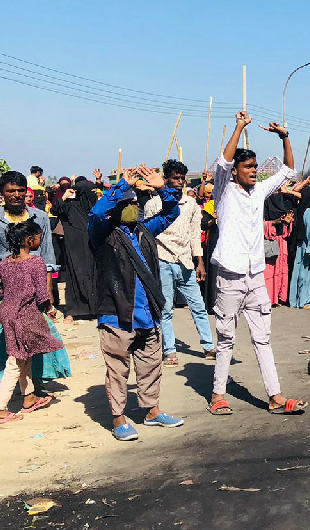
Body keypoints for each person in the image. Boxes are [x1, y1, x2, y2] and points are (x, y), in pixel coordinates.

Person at [208, 111, 307, 416]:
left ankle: (275, 397)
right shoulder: (224, 190)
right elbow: (222, 163)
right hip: (230, 275)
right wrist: (239, 127)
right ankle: (217, 395)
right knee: (226, 338)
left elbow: (289, 169)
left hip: (255, 275)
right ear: (236, 171)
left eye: (255, 167)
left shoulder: (259, 191)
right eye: (248, 167)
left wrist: (285, 136)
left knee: (262, 339)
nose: (253, 171)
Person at [89, 166, 184, 440]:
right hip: (116, 313)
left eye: (135, 202)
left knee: (151, 365)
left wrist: (161, 188)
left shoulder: (144, 230)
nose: (133, 207)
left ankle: (152, 411)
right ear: (116, 206)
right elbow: (95, 213)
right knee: (118, 369)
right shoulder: (103, 234)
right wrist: (120, 186)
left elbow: (170, 213)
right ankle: (119, 419)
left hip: (147, 314)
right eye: (127, 204)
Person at [141, 160, 215, 367]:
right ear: (165, 179)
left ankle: (209, 346)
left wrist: (199, 261)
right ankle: (170, 351)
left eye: (182, 178)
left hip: (185, 261)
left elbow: (194, 234)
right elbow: (148, 236)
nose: (179, 182)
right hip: (162, 260)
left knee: (198, 306)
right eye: (175, 178)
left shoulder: (190, 204)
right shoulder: (153, 204)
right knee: (166, 309)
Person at [0, 221, 63, 424]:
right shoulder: (36, 262)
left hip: (7, 313)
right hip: (25, 315)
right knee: (15, 361)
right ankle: (1, 408)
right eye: (38, 237)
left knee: (24, 356)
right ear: (29, 239)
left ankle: (29, 397)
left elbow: (2, 290)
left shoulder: (5, 263)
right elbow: (42, 294)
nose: (40, 240)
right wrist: (50, 309)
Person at [51, 176, 99, 322]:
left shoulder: (95, 208)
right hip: (74, 248)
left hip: (93, 247)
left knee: (95, 276)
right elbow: (55, 209)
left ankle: (96, 309)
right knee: (75, 276)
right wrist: (64, 197)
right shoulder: (70, 206)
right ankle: (72, 311)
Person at [289, 177, 310, 309]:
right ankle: (305, 300)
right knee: (307, 276)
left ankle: (298, 300)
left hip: (304, 246)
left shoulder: (305, 210)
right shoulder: (309, 212)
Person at [264, 209, 293, 306]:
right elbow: (258, 225)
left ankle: (279, 297)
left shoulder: (285, 207)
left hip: (282, 243)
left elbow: (287, 231)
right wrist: (273, 222)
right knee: (269, 271)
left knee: (281, 269)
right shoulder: (265, 207)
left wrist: (286, 222)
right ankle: (269, 298)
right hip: (269, 243)